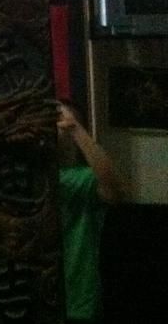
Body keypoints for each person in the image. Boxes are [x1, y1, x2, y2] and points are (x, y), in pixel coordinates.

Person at [57, 99, 128, 323]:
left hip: (77, 299)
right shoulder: (31, 177)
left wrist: (75, 128)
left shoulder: (83, 178)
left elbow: (115, 192)